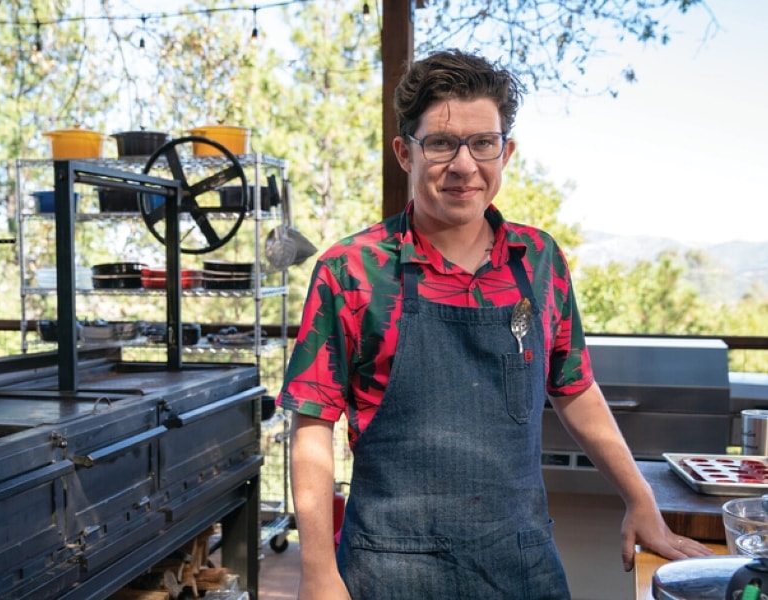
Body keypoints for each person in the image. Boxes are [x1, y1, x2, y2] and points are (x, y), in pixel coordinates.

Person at [276, 48, 712, 599]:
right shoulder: (353, 269)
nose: (464, 165)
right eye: (440, 143)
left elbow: (573, 386)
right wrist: (317, 572)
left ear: (505, 152)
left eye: (483, 143)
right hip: (389, 570)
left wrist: (640, 500)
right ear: (404, 153)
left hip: (521, 562)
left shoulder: (538, 260)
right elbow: (313, 423)